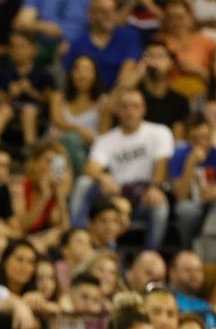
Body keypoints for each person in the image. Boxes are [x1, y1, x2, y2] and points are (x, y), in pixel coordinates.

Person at [70, 87, 173, 251]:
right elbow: (91, 169)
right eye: (124, 106)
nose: (129, 111)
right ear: (118, 111)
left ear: (143, 110)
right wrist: (103, 178)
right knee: (84, 182)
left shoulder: (159, 132)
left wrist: (155, 187)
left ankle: (152, 255)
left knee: (160, 205)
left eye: (135, 106)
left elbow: (162, 166)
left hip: (143, 194)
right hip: (115, 194)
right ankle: (78, 238)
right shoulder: (106, 140)